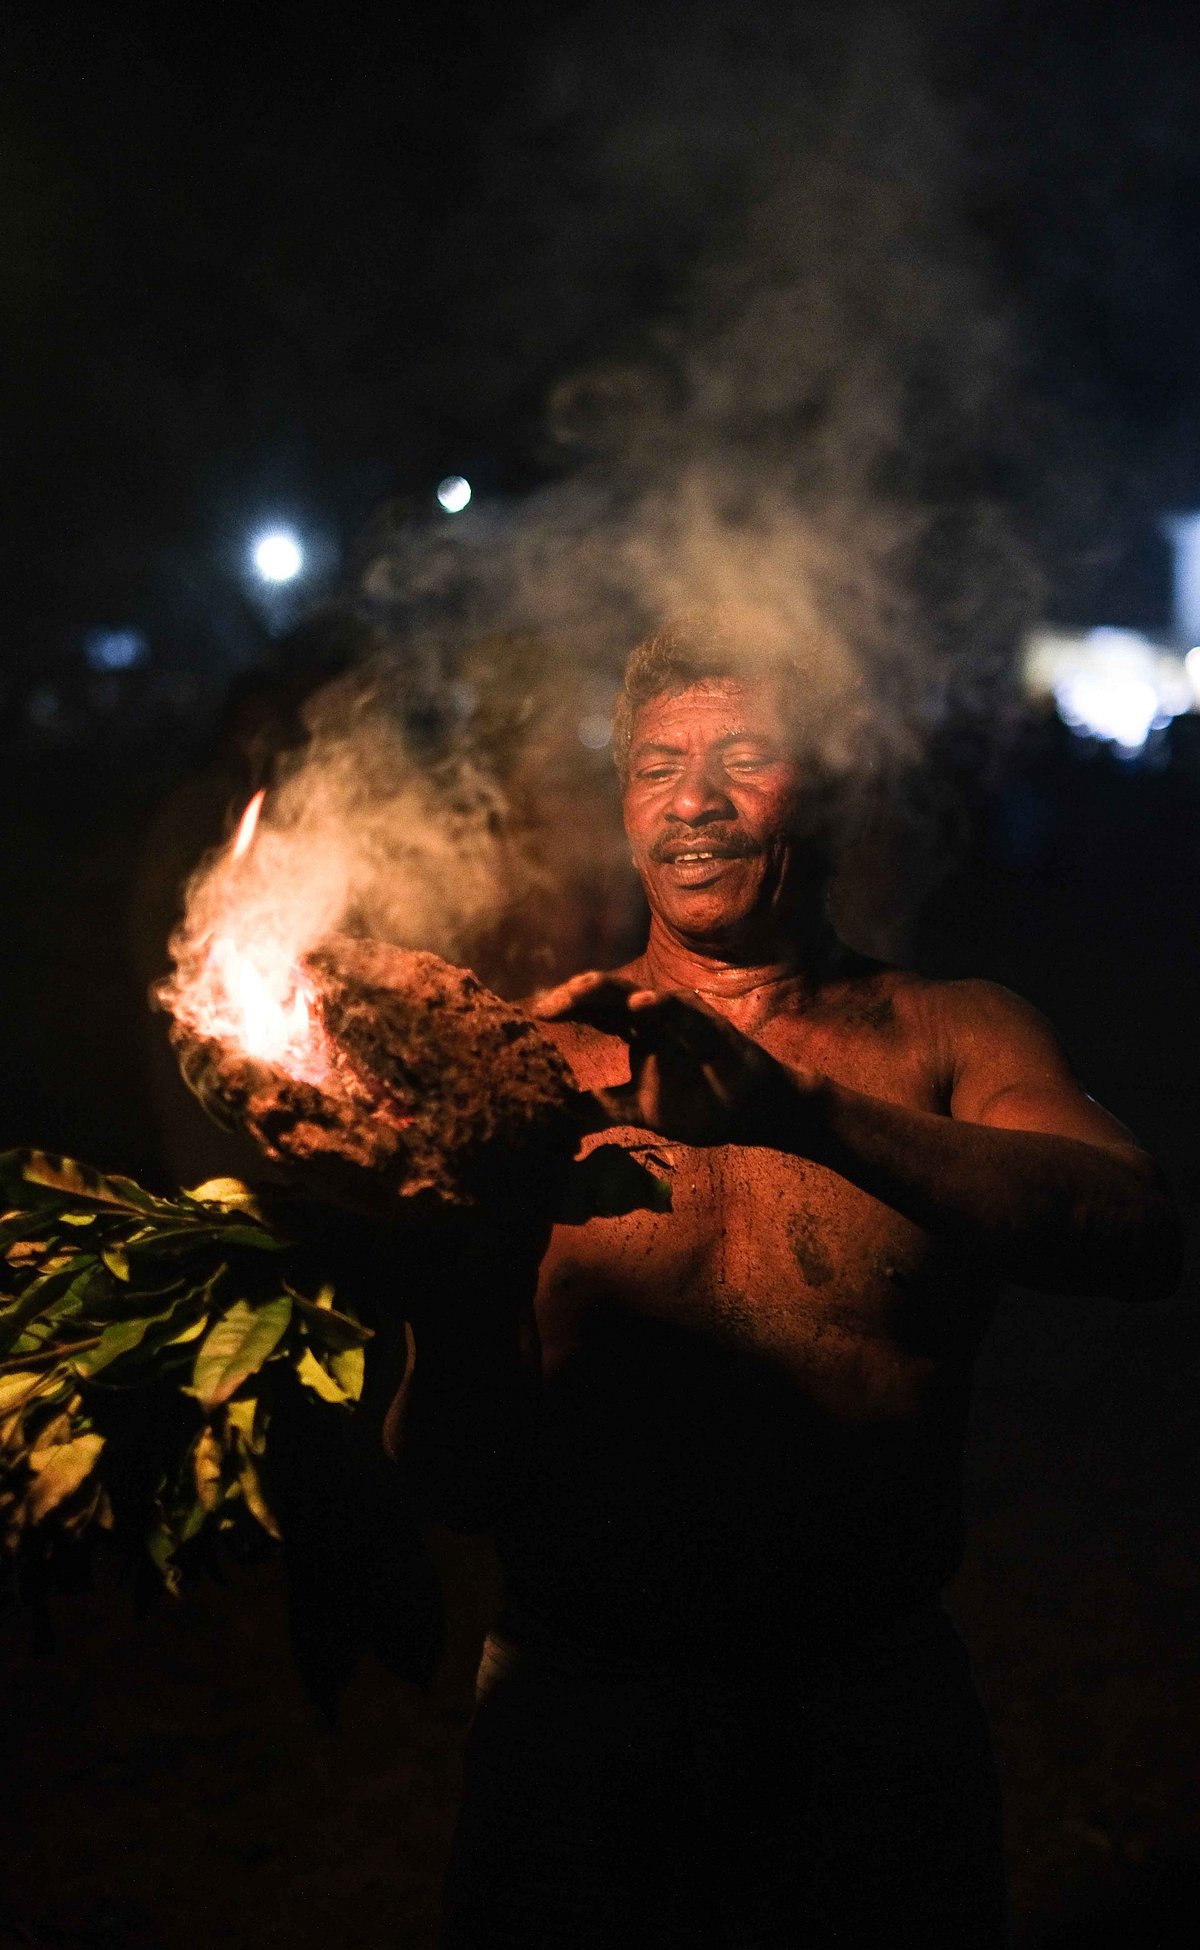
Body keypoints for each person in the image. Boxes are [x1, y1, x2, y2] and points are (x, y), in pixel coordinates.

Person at [394, 615, 1182, 1949]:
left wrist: (799, 1113)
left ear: (833, 780)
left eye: (743, 756)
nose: (693, 802)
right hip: (579, 1718)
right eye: (657, 765)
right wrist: (448, 1283)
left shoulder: (947, 1032)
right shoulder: (531, 1073)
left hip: (861, 1718)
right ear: (624, 803)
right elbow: (451, 1479)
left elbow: (1137, 1230)